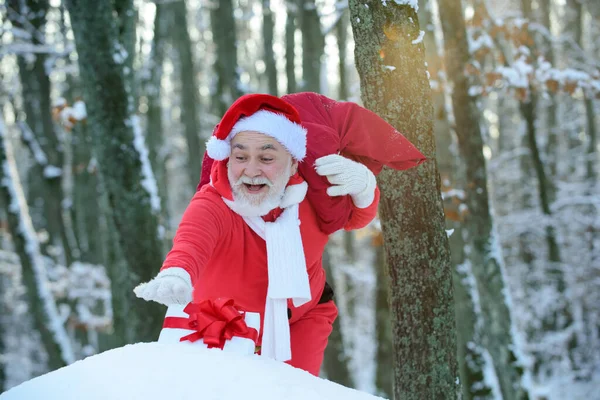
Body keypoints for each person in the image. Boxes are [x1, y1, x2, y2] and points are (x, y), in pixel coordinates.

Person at [134, 92, 425, 376]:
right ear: (227, 158)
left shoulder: (310, 194)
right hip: (223, 325)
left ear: (294, 163)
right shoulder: (213, 203)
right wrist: (176, 274)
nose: (251, 170)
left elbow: (355, 219)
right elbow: (191, 240)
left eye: (266, 158)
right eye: (240, 156)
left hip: (303, 317)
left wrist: (364, 187)